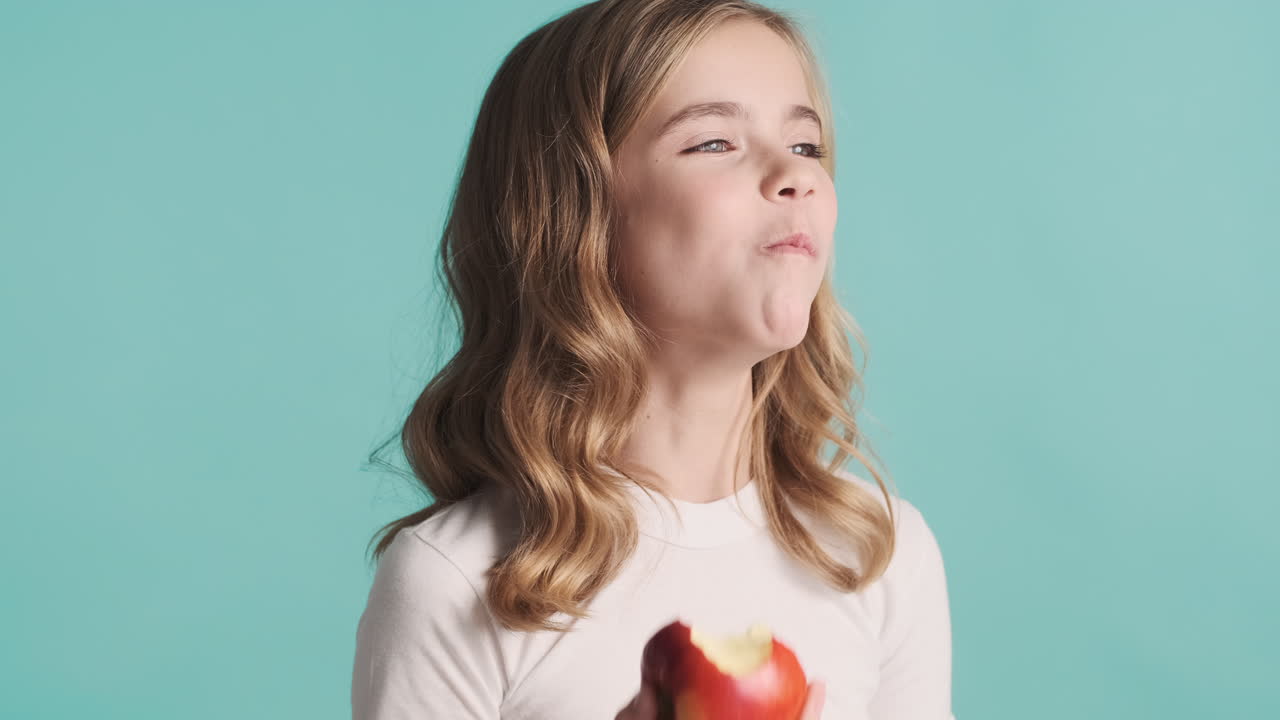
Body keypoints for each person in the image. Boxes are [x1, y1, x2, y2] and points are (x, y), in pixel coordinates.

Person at [351, 0, 955, 718]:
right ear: (577, 214)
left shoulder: (877, 553)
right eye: (713, 143)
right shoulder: (459, 580)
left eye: (806, 147)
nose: (795, 178)